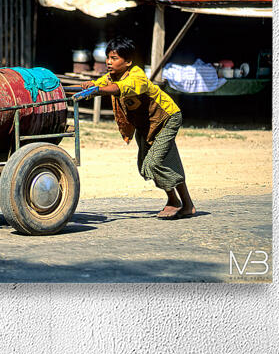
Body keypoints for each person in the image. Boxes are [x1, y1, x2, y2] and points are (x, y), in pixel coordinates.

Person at [80, 36, 195, 219]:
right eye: (108, 57)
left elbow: (119, 88)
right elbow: (100, 84)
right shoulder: (112, 76)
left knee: (154, 164)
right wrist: (89, 86)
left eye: (114, 58)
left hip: (167, 118)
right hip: (146, 124)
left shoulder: (137, 76)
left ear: (128, 62)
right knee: (147, 164)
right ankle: (183, 203)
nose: (109, 62)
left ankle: (177, 201)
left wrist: (97, 89)